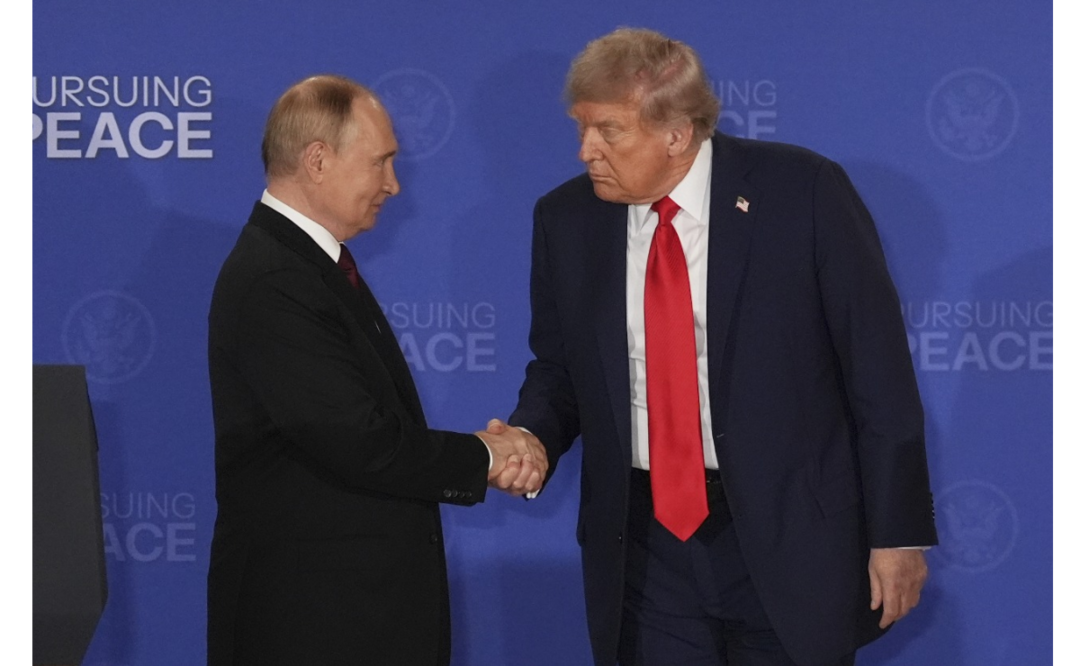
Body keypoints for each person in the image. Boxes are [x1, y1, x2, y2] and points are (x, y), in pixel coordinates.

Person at [492, 28, 937, 666]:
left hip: (788, 533)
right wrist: (532, 437)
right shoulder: (566, 220)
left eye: (608, 130)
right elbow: (559, 369)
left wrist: (897, 534)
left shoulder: (802, 192)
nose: (586, 150)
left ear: (676, 133)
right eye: (581, 128)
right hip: (644, 546)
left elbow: (878, 370)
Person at [206, 74, 545, 666]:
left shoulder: (312, 266)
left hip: (352, 620)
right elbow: (358, 441)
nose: (393, 184)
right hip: (312, 627)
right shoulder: (275, 280)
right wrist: (489, 457)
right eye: (380, 163)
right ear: (317, 160)